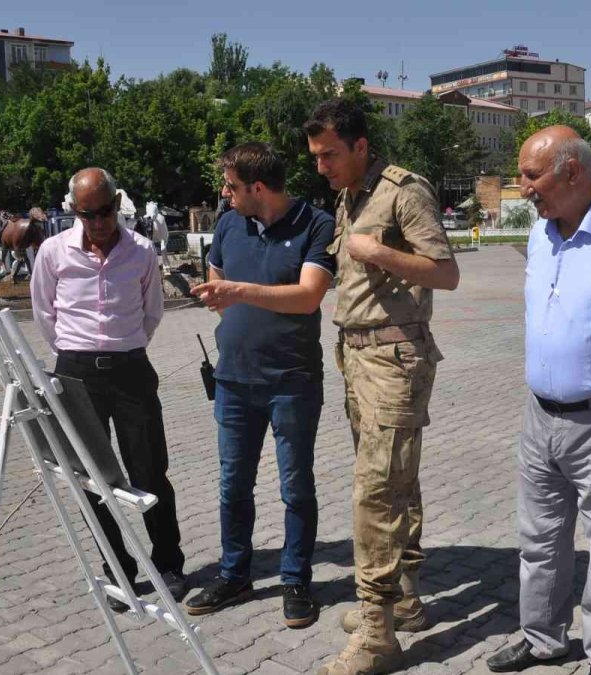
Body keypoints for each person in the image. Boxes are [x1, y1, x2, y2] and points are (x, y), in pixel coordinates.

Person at [304, 98, 460, 675]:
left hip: (395, 361)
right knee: (396, 484)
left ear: (361, 146)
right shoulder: (351, 196)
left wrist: (380, 252)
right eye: (316, 157)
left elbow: (446, 272)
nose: (321, 166)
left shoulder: (403, 192)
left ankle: (378, 630)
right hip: (358, 358)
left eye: (330, 155)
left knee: (375, 493)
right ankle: (408, 599)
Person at [485, 126, 591, 675]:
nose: (522, 187)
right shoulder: (540, 234)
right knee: (539, 541)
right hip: (539, 415)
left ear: (573, 171)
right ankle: (542, 637)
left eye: (531, 175)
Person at [182, 143, 336, 628]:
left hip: (292, 382)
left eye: (231, 187)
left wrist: (240, 293)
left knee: (295, 487)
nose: (224, 194)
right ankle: (235, 574)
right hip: (233, 381)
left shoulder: (316, 224)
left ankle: (296, 580)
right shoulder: (229, 224)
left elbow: (309, 296)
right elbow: (218, 278)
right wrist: (219, 295)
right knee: (233, 485)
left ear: (258, 188)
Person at [30, 167, 186, 611]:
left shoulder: (140, 252)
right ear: (74, 210)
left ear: (117, 204)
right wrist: (75, 353)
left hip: (131, 370)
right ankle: (118, 569)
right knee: (93, 478)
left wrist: (123, 347)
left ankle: (169, 565)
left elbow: (151, 311)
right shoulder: (53, 252)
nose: (97, 222)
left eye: (104, 211)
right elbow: (45, 313)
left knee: (150, 471)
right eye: (87, 213)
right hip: (76, 374)